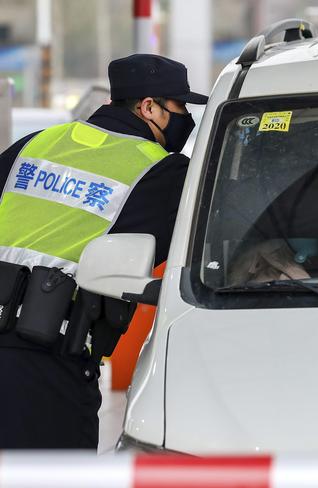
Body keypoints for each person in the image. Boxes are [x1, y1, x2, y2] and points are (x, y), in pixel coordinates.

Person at [0, 54, 208, 449]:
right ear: (149, 107)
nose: (185, 116)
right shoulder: (163, 173)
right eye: (179, 106)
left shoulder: (33, 145)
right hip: (48, 365)